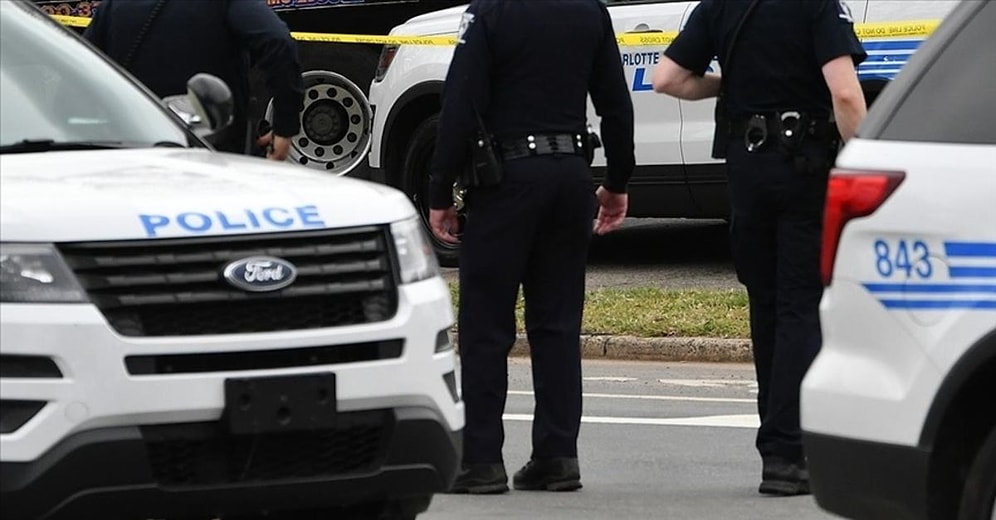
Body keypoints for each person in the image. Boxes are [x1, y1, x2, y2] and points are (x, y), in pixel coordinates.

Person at [651, 0, 867, 497]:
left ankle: (776, 449)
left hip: (745, 173)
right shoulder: (817, 7)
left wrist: (728, 84)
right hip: (803, 171)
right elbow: (846, 95)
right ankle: (787, 453)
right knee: (799, 307)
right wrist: (867, 158)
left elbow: (667, 79)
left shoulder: (720, 7)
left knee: (765, 306)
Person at [428, 0, 634, 495]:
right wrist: (618, 180)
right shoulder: (590, 12)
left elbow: (461, 99)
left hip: (505, 181)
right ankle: (557, 455)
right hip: (569, 177)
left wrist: (438, 190)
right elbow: (614, 100)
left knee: (485, 325)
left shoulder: (491, 12)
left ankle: (481, 460)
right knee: (558, 323)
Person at [83, 0, 304, 160]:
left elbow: (79, 69)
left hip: (129, 151)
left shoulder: (112, 7)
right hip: (210, 154)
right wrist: (285, 128)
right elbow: (279, 43)